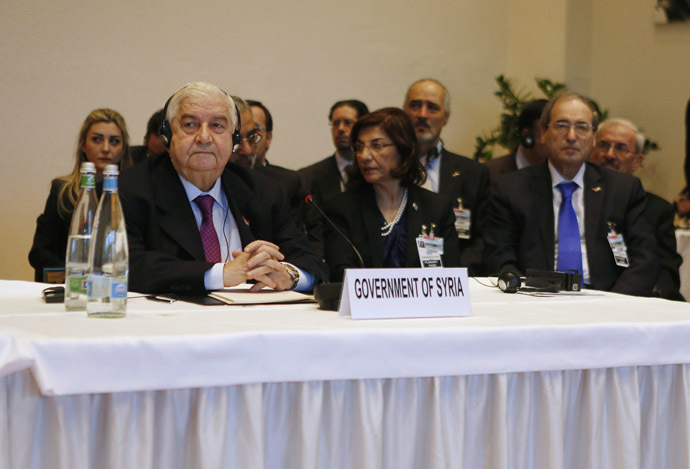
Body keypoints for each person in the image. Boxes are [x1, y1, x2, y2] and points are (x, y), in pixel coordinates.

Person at [118, 82, 325, 294]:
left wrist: (287, 274)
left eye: (217, 126)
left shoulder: (265, 191)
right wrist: (221, 274)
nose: (204, 137)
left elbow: (312, 263)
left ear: (233, 138)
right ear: (168, 135)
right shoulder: (129, 190)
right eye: (190, 124)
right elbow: (123, 265)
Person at [485, 91, 658, 296]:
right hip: (535, 299)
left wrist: (615, 303)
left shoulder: (623, 189)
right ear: (543, 132)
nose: (572, 136)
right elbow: (500, 257)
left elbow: (644, 259)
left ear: (593, 137)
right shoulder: (510, 189)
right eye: (561, 125)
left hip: (608, 298)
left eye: (582, 127)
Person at [324, 108, 461, 281]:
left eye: (377, 146)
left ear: (404, 149)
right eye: (359, 147)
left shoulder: (436, 208)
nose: (364, 156)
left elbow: (451, 277)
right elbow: (341, 274)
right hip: (366, 307)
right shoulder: (341, 209)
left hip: (424, 307)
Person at [29, 108, 130, 282]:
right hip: (71, 285)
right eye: (97, 140)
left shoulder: (133, 194)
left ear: (123, 149)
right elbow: (39, 252)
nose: (106, 149)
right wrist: (75, 273)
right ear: (83, 145)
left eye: (114, 141)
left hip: (117, 286)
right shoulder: (62, 191)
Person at [403, 78, 490, 274]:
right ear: (404, 113)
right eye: (415, 105)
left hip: (455, 279)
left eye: (432, 108)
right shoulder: (387, 170)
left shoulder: (473, 173)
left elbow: (483, 238)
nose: (422, 114)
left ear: (446, 117)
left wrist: (455, 274)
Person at [590, 118, 683, 300]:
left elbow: (666, 272)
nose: (609, 154)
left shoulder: (657, 210)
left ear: (637, 161)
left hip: (637, 298)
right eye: (603, 145)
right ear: (591, 151)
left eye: (621, 148)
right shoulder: (574, 198)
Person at [299, 100, 369, 205]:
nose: (340, 129)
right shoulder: (307, 177)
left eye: (348, 122)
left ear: (363, 127)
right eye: (336, 123)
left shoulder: (374, 172)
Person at [484, 99, 549, 181]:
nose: (556, 142)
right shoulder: (491, 173)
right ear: (527, 137)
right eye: (547, 135)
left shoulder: (563, 174)